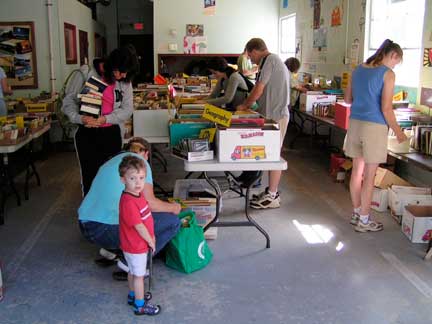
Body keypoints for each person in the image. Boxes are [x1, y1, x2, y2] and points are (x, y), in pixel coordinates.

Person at [78, 137, 181, 280]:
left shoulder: (111, 162)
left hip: (86, 226)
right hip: (104, 229)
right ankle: (132, 264)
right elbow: (150, 203)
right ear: (146, 154)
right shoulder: (140, 164)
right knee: (172, 221)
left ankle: (113, 250)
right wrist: (173, 207)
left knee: (130, 211)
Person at [344, 39, 407, 233]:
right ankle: (364, 219)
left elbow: (347, 99)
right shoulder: (388, 74)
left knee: (356, 172)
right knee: (369, 177)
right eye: (396, 61)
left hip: (354, 124)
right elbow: (386, 108)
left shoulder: (358, 70)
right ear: (393, 55)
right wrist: (398, 132)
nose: (395, 65)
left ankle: (357, 214)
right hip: (374, 127)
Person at [62, 46, 139, 196]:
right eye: (120, 71)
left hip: (112, 132)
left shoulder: (124, 80)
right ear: (110, 64)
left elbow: (127, 109)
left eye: (126, 73)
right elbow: (68, 103)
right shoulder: (85, 73)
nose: (122, 76)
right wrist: (80, 118)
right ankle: (89, 217)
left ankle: (112, 215)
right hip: (87, 134)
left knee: (114, 177)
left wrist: (105, 119)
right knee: (90, 178)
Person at [237, 38, 290, 209]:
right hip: (271, 115)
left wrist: (244, 105)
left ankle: (272, 195)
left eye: (250, 56)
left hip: (277, 116)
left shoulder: (271, 60)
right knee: (269, 154)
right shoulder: (269, 61)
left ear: (254, 50)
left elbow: (259, 88)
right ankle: (269, 191)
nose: (251, 60)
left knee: (275, 156)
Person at [118, 155, 161, 316]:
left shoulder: (137, 194)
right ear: (123, 179)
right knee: (139, 276)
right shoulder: (128, 201)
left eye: (141, 178)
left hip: (134, 244)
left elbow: (145, 218)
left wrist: (152, 236)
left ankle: (133, 295)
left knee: (132, 271)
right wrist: (151, 241)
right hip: (136, 246)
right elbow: (139, 226)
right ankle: (140, 305)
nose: (138, 183)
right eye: (132, 178)